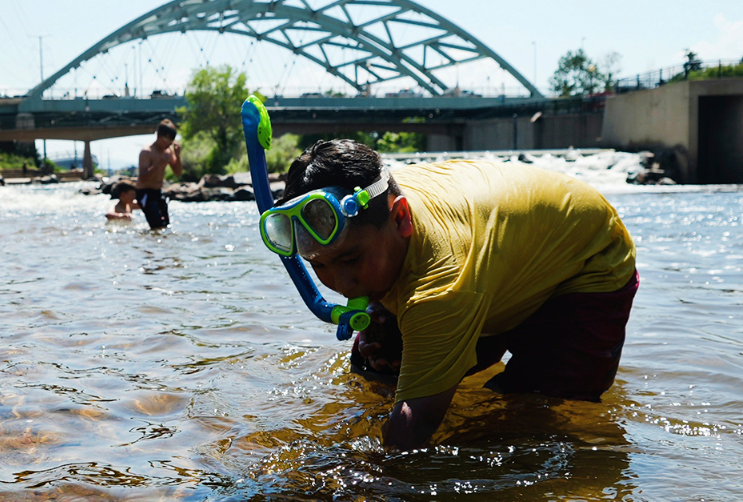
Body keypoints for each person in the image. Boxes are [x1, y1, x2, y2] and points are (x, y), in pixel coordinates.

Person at [271, 140, 637, 450]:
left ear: (401, 219)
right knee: (378, 361)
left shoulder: (438, 286)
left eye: (352, 259)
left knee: (528, 421)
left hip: (583, 260)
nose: (342, 284)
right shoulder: (375, 199)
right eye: (320, 266)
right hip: (496, 255)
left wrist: (357, 490)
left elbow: (411, 433)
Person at [136, 119, 182, 229]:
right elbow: (142, 178)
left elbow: (178, 172)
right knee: (156, 225)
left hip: (158, 191)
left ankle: (159, 245)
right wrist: (157, 165)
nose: (169, 143)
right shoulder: (147, 151)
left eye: (172, 140)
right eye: (167, 140)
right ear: (159, 136)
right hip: (144, 192)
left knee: (165, 225)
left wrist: (178, 156)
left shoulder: (168, 151)